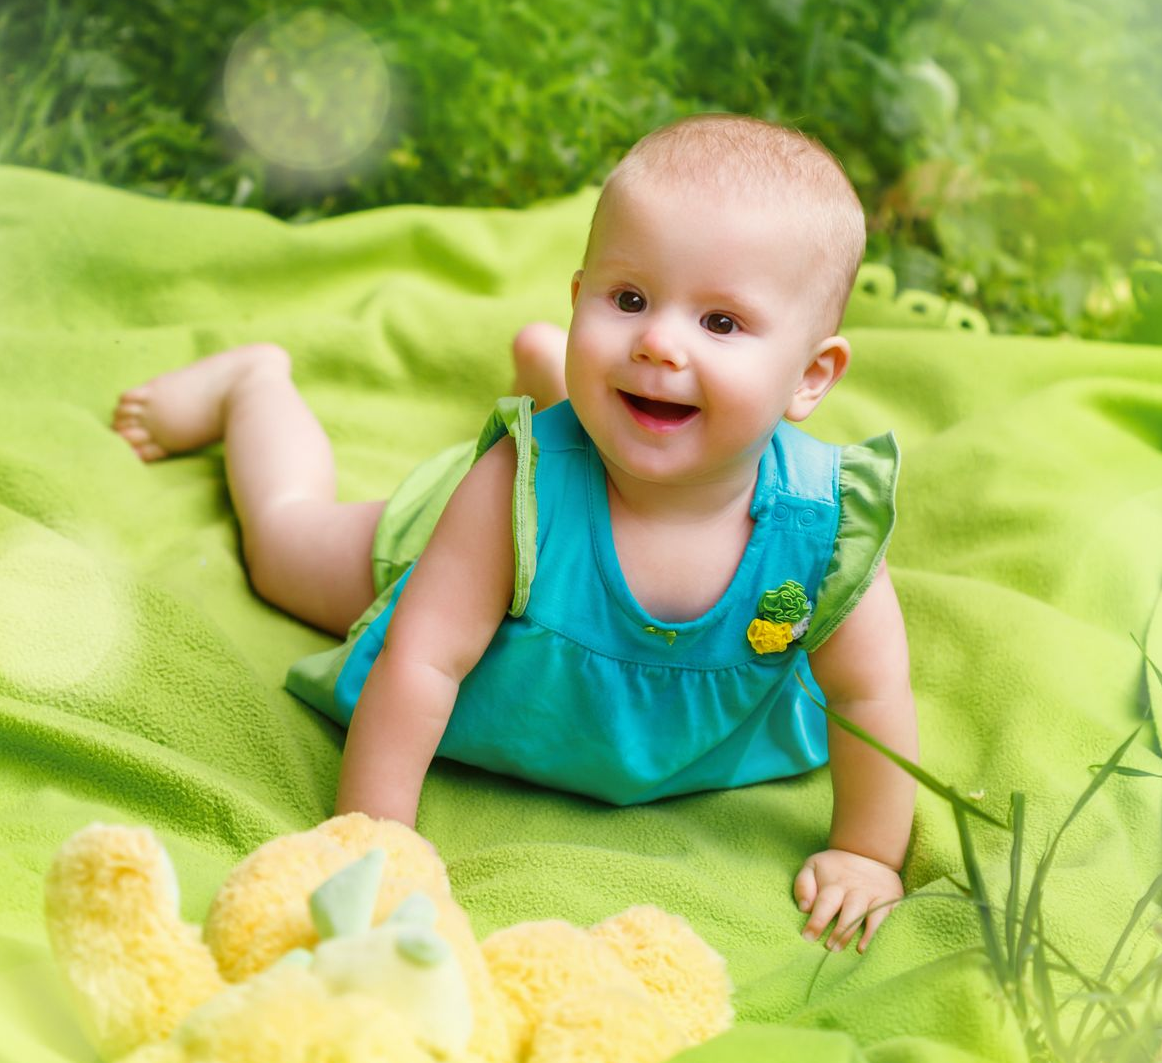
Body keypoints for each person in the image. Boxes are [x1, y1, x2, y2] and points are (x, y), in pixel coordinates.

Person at [113, 114, 917, 954]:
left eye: (721, 323)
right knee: (283, 548)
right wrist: (375, 841)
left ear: (811, 375)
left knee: (617, 403)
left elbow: (871, 696)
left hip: (594, 549)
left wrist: (866, 851)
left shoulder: (823, 528)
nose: (658, 341)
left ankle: (547, 368)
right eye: (629, 299)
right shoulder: (512, 489)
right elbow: (422, 660)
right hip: (479, 552)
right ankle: (253, 384)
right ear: (582, 300)